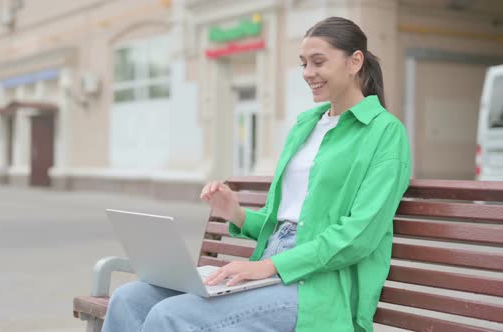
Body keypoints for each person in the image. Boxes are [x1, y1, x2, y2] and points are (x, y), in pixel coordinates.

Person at [101, 16, 411, 332]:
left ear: (355, 61)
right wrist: (235, 214)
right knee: (129, 298)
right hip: (270, 264)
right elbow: (288, 221)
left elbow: (361, 235)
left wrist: (269, 266)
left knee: (170, 316)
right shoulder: (307, 124)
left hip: (320, 287)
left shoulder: (384, 132)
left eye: (318, 62)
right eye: (304, 63)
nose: (308, 73)